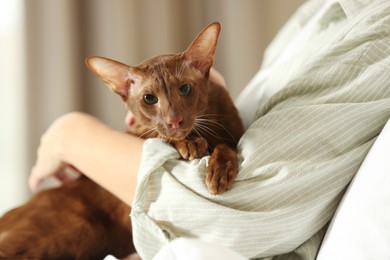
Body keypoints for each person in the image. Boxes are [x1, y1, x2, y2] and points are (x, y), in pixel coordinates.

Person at [29, 0, 390, 259]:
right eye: (152, 101)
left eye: (186, 87)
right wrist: (192, 96)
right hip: (85, 208)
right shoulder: (318, 13)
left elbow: (229, 213)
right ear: (123, 91)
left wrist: (70, 134)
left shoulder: (378, 29)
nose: (171, 117)